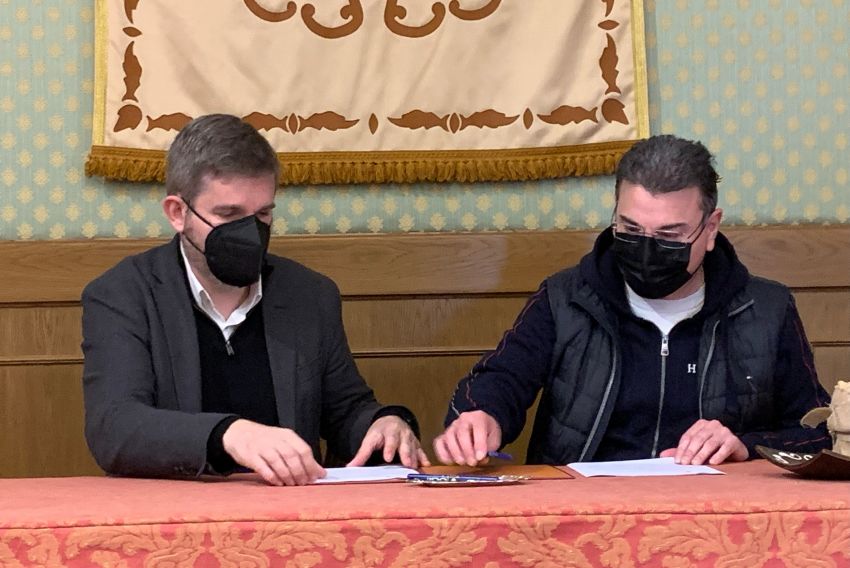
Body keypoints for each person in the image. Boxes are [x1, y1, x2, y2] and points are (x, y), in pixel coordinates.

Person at [434, 134, 831, 467]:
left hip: (715, 514)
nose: (647, 250)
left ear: (711, 228)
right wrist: (481, 416)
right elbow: (501, 380)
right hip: (586, 510)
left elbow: (818, 432)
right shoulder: (566, 297)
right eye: (630, 229)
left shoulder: (767, 309)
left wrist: (746, 445)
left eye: (670, 235)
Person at [82, 114, 428, 486]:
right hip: (174, 510)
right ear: (178, 213)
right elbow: (115, 426)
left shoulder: (309, 294)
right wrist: (229, 435)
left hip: (290, 508)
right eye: (228, 214)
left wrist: (383, 423)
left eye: (262, 214)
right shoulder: (123, 294)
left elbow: (345, 410)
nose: (250, 232)